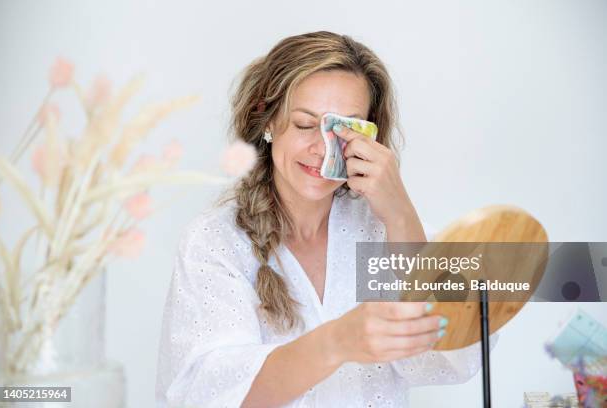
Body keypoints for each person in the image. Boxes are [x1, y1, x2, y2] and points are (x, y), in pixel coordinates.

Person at [156, 31, 486, 408]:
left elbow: (457, 353)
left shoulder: (383, 229)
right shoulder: (215, 240)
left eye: (345, 129)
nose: (322, 148)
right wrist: (338, 341)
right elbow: (209, 393)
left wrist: (400, 214)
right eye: (304, 124)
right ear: (267, 120)